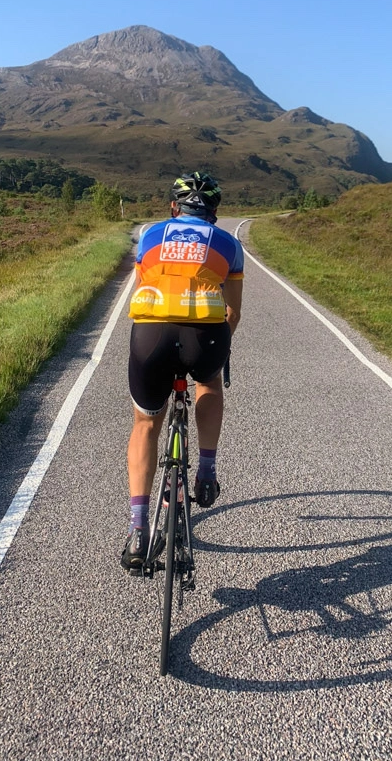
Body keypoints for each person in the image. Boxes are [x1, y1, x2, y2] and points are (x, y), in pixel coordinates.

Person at [121, 171, 244, 572]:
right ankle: (206, 471)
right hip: (204, 337)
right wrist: (217, 351)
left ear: (174, 208)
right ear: (213, 212)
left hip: (151, 336)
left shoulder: (150, 235)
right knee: (208, 382)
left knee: (144, 423)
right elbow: (232, 312)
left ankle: (138, 530)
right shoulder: (229, 243)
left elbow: (146, 288)